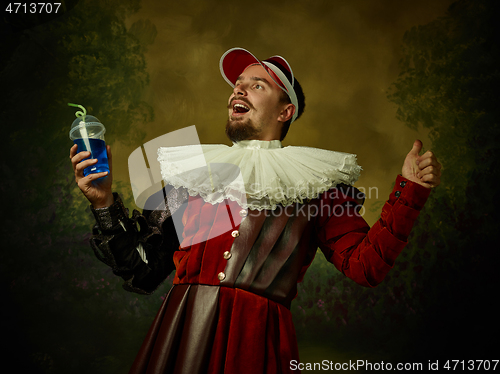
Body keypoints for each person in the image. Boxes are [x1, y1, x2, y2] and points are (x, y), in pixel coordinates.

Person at [69, 48, 441, 374]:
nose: (239, 89)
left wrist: (409, 193)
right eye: (237, 84)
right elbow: (145, 269)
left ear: (286, 111)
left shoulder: (320, 184)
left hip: (257, 343)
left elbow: (366, 266)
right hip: (183, 335)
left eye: (258, 85)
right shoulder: (194, 175)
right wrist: (102, 202)